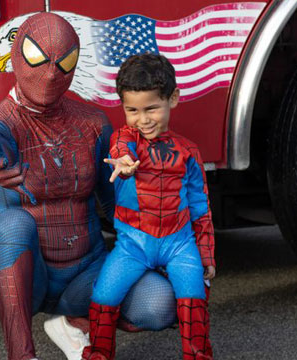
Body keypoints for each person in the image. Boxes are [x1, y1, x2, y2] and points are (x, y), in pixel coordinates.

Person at [0, 13, 179, 360]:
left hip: (81, 275)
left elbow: (115, 205)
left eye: (63, 63)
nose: (50, 73)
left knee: (160, 303)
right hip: (10, 272)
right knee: (15, 223)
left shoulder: (92, 123)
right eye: (38, 59)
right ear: (18, 55)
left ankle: (74, 323)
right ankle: (22, 355)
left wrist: (164, 244)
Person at [81, 54, 216, 360]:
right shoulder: (124, 141)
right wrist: (123, 163)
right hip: (133, 245)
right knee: (103, 297)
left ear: (173, 99)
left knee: (194, 298)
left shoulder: (188, 152)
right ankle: (99, 355)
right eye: (132, 110)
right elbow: (120, 147)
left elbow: (199, 205)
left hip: (180, 244)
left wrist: (206, 251)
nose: (143, 119)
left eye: (152, 108)